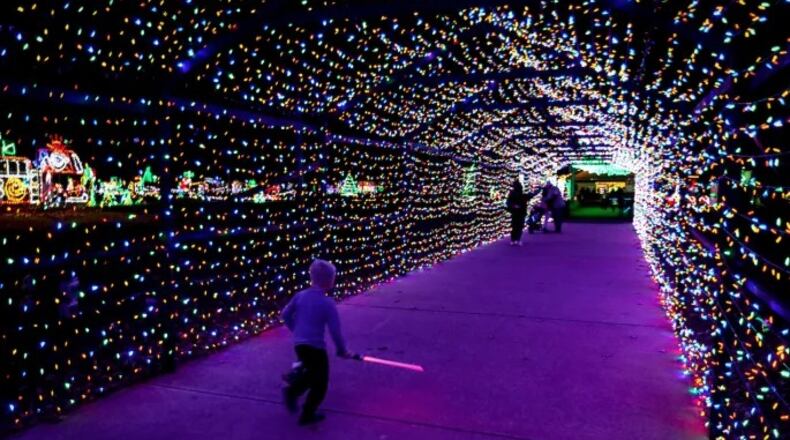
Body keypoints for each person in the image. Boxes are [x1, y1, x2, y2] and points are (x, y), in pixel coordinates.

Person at [281, 259, 352, 425]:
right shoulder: (327, 303)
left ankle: (293, 391)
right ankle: (307, 414)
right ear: (330, 282)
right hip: (316, 348)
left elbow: (285, 314)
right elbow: (335, 330)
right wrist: (342, 349)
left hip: (300, 346)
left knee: (312, 374)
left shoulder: (300, 296)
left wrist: (295, 330)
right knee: (320, 383)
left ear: (312, 278)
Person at [505, 179, 527, 245]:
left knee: (514, 226)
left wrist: (513, 206)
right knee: (519, 226)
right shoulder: (522, 194)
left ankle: (513, 240)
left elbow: (508, 202)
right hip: (521, 212)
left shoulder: (512, 193)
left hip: (515, 212)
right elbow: (529, 196)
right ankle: (518, 239)